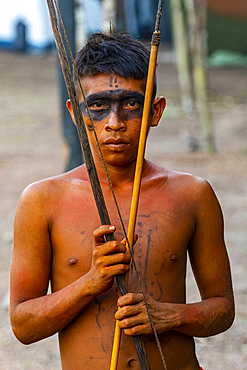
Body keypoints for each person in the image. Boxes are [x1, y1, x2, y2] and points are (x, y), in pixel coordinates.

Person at [10, 32, 234, 370]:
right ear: (76, 112)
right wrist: (89, 283)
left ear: (155, 111)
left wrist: (170, 315)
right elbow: (23, 326)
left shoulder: (192, 194)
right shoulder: (43, 201)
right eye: (98, 106)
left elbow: (223, 310)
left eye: (131, 105)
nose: (115, 124)